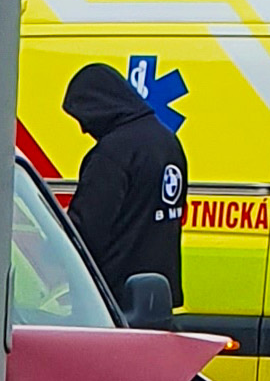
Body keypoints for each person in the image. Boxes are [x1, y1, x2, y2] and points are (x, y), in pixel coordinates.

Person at [61, 63, 188, 305]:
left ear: (100, 106)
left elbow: (87, 229)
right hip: (158, 296)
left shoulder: (111, 153)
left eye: (84, 116)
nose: (83, 128)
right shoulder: (168, 142)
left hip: (114, 299)